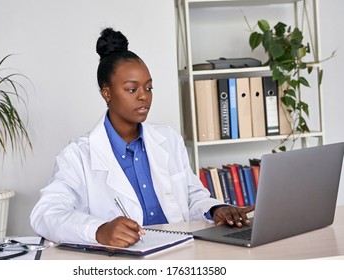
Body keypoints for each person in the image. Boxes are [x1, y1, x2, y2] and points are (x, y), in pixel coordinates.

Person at [30, 27, 254, 248]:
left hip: (180, 252)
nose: (144, 97)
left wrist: (216, 209)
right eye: (131, 89)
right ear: (106, 93)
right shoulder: (77, 155)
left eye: (149, 88)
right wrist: (99, 230)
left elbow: (192, 195)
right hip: (123, 262)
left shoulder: (169, 139)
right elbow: (46, 214)